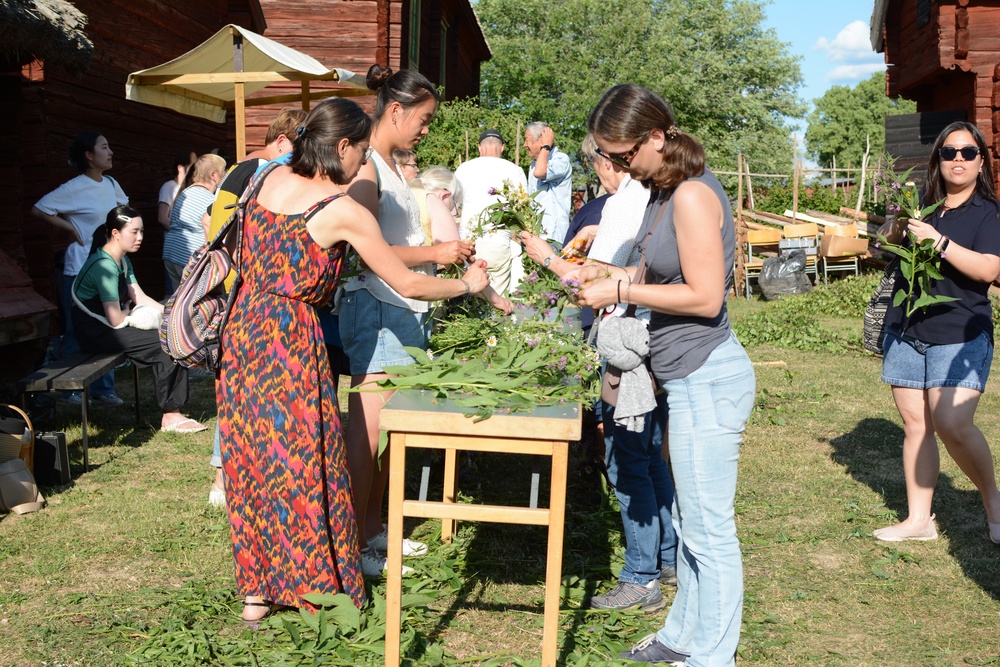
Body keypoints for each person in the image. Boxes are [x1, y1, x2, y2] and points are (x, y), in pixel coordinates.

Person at [217, 97, 489, 624]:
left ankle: (257, 590)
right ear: (342, 146)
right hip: (289, 338)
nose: (363, 162)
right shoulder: (339, 209)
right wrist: (466, 283)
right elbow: (406, 281)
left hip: (243, 327)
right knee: (303, 459)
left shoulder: (262, 181)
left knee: (249, 455)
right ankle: (316, 587)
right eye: (361, 151)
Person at [569, 84, 756, 666]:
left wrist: (620, 287)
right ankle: (681, 637)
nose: (621, 169)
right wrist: (606, 269)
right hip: (682, 379)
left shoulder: (694, 195)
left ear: (656, 136)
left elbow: (703, 296)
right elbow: (659, 272)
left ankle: (713, 657)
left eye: (624, 156)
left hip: (708, 376)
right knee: (689, 519)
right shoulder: (662, 194)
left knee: (709, 533)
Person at [522, 133, 676, 613]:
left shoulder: (623, 202)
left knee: (625, 457)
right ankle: (667, 556)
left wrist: (544, 255)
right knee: (649, 452)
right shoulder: (657, 197)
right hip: (654, 338)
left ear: (608, 165)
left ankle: (640, 577)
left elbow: (593, 282)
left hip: (625, 343)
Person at [341, 65, 482, 578]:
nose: (426, 130)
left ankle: (374, 530)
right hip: (376, 307)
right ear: (394, 110)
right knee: (369, 431)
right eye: (422, 119)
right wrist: (434, 251)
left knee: (390, 432)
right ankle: (354, 543)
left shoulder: (388, 165)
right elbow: (358, 252)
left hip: (399, 308)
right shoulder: (366, 170)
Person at [873, 120, 1000, 546]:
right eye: (949, 153)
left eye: (967, 152)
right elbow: (882, 245)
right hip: (910, 327)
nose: (958, 160)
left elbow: (989, 269)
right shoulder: (922, 203)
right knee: (916, 426)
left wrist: (938, 243)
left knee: (952, 423)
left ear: (981, 161)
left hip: (961, 330)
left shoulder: (988, 212)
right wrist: (894, 229)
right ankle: (918, 519)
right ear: (938, 160)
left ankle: (994, 504)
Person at [203, 109, 306, 509]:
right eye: (300, 148)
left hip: (245, 293)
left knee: (243, 389)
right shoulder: (253, 174)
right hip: (241, 296)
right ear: (282, 142)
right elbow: (224, 236)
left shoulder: (245, 171)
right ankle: (220, 476)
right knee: (237, 389)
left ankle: (238, 474)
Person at [71, 206, 206, 433]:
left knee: (171, 334)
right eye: (134, 232)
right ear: (115, 233)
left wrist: (171, 315)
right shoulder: (104, 266)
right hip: (96, 332)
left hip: (110, 327)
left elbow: (139, 297)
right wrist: (127, 309)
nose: (140, 237)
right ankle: (171, 414)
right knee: (165, 344)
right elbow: (115, 318)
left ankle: (173, 410)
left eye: (141, 231)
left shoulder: (122, 260)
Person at [31, 131, 128, 408]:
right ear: (89, 155)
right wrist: (71, 228)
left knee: (108, 327)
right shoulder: (74, 187)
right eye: (104, 147)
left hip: (109, 267)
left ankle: (103, 390)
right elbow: (41, 209)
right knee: (77, 329)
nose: (110, 152)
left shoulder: (110, 183)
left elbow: (124, 211)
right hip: (79, 270)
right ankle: (70, 390)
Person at [455, 129, 530, 295]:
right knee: (498, 298)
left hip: (468, 242)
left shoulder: (464, 168)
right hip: (498, 241)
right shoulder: (514, 170)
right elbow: (522, 208)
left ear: (479, 148)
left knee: (469, 295)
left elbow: (455, 204)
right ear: (502, 147)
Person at [162, 153, 226, 294]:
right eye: (224, 171)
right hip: (189, 258)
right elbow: (210, 228)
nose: (226, 175)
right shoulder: (209, 200)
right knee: (197, 304)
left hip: (171, 253)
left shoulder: (185, 193)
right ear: (213, 175)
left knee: (177, 302)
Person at [523, 121, 572, 244]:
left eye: (526, 140)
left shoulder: (560, 159)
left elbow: (540, 172)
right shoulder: (533, 164)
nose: (524, 145)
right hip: (536, 235)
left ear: (541, 140)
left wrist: (546, 147)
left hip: (552, 236)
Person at [157, 151, 195, 231]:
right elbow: (162, 218)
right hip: (176, 241)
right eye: (191, 166)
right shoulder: (169, 187)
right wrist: (180, 234)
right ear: (180, 168)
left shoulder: (190, 189)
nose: (194, 170)